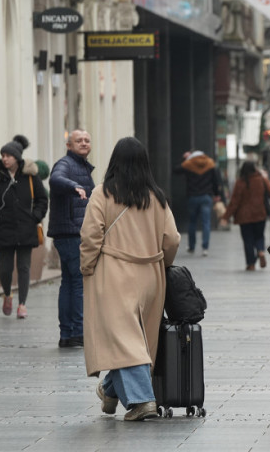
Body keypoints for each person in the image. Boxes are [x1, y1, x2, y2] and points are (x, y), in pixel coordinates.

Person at [80, 137, 180, 422]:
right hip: (150, 275)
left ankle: (142, 401)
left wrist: (87, 267)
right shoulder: (157, 198)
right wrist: (163, 264)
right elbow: (171, 239)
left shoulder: (102, 194)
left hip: (113, 273)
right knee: (137, 339)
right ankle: (109, 391)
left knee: (125, 340)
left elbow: (90, 236)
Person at [0, 135, 48, 319]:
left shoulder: (30, 176)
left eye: (8, 155)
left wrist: (36, 216)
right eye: (3, 155)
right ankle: (7, 294)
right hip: (2, 229)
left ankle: (22, 304)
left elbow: (42, 199)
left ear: (17, 157)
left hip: (26, 228)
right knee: (5, 270)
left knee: (24, 268)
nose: (5, 158)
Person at [48, 129, 94, 348]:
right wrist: (73, 186)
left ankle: (67, 334)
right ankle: (77, 331)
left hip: (68, 232)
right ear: (69, 145)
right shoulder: (65, 164)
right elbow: (56, 179)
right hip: (71, 233)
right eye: (79, 140)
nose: (84, 143)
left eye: (86, 140)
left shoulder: (81, 166)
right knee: (77, 282)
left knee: (68, 282)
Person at [222, 161, 270, 271]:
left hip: (244, 217)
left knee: (248, 240)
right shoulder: (261, 179)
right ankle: (260, 251)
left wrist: (225, 217)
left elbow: (234, 202)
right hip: (260, 213)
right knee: (259, 236)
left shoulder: (240, 182)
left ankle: (251, 264)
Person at [175, 150, 222, 256]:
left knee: (192, 222)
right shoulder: (210, 163)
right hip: (206, 196)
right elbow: (215, 181)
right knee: (206, 222)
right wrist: (217, 194)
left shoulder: (189, 163)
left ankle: (191, 247)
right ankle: (205, 247)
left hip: (193, 196)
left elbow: (176, 170)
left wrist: (185, 158)